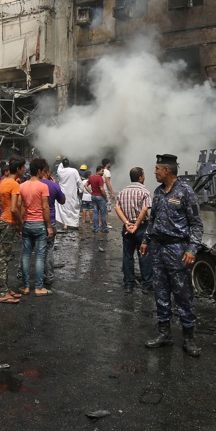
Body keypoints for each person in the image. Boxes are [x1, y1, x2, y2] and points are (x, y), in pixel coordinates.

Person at [141, 153, 204, 358]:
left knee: (183, 295)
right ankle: (164, 334)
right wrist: (145, 240)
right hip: (158, 249)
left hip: (178, 250)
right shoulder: (158, 192)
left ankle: (188, 338)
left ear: (167, 170)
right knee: (160, 293)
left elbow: (196, 224)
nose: (154, 172)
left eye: (157, 169)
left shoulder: (186, 192)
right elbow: (152, 220)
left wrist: (192, 249)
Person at [0, 156, 25, 304]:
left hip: (4, 220)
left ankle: (6, 289)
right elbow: (14, 208)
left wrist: (2, 203)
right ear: (18, 169)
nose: (24, 170)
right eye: (23, 168)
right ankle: (3, 292)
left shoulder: (4, 182)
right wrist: (21, 223)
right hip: (9, 222)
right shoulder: (14, 184)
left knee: (5, 256)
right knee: (3, 258)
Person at [18, 158, 53, 296]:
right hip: (39, 225)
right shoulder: (43, 186)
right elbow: (45, 207)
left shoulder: (22, 186)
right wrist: (49, 226)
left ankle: (26, 286)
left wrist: (20, 225)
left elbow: (21, 207)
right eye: (43, 170)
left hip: (26, 224)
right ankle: (38, 288)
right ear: (39, 171)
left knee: (26, 255)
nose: (44, 173)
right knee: (39, 257)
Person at [115, 166, 153, 294]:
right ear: (140, 178)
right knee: (144, 254)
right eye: (144, 175)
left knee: (127, 255)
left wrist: (127, 223)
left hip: (127, 227)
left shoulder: (122, 192)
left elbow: (117, 208)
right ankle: (147, 285)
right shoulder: (145, 192)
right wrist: (136, 225)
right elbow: (144, 209)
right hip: (141, 226)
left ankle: (128, 284)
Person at [40, 164, 66, 284]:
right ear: (47, 173)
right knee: (48, 249)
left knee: (30, 249)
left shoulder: (31, 184)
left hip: (34, 220)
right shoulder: (53, 185)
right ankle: (48, 276)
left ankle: (25, 276)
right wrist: (55, 184)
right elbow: (62, 201)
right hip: (50, 221)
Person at [54, 158, 82, 230]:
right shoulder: (74, 171)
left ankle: (65, 224)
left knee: (64, 209)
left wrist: (62, 159)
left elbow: (60, 166)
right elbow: (79, 181)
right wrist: (81, 190)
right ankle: (75, 224)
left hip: (63, 192)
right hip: (72, 193)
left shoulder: (60, 171)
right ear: (69, 164)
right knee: (74, 208)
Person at [87, 165, 108, 236]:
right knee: (103, 213)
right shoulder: (100, 178)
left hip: (93, 196)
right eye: (102, 171)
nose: (103, 173)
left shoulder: (91, 177)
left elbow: (85, 185)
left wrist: (91, 192)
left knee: (95, 212)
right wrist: (106, 196)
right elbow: (101, 189)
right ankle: (104, 228)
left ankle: (95, 228)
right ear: (98, 171)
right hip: (100, 197)